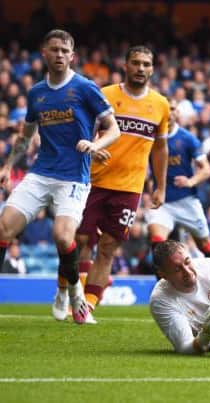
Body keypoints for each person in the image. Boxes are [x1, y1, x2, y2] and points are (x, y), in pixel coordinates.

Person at [0, 30, 120, 324]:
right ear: (45, 53)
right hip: (41, 172)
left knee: (63, 236)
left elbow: (114, 129)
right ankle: (73, 292)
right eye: (54, 49)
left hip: (73, 177)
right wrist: (7, 165)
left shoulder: (85, 88)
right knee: (3, 229)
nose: (59, 55)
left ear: (72, 56)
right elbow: (26, 135)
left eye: (64, 50)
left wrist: (95, 145)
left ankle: (72, 294)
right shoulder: (37, 92)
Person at [67, 45, 169, 322]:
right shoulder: (106, 94)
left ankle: (87, 304)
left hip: (130, 187)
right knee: (81, 239)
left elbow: (160, 149)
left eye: (146, 64)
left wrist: (160, 186)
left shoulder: (160, 104)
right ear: (126, 65)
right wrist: (95, 146)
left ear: (152, 68)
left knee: (109, 246)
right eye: (136, 63)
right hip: (94, 180)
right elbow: (86, 130)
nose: (141, 68)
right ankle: (74, 295)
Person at [146, 99, 210, 256]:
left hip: (187, 201)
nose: (169, 112)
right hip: (162, 203)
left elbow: (206, 169)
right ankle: (163, 280)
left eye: (173, 108)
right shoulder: (150, 138)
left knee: (204, 245)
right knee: (157, 242)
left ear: (177, 112)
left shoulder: (187, 138)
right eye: (165, 108)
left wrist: (190, 181)